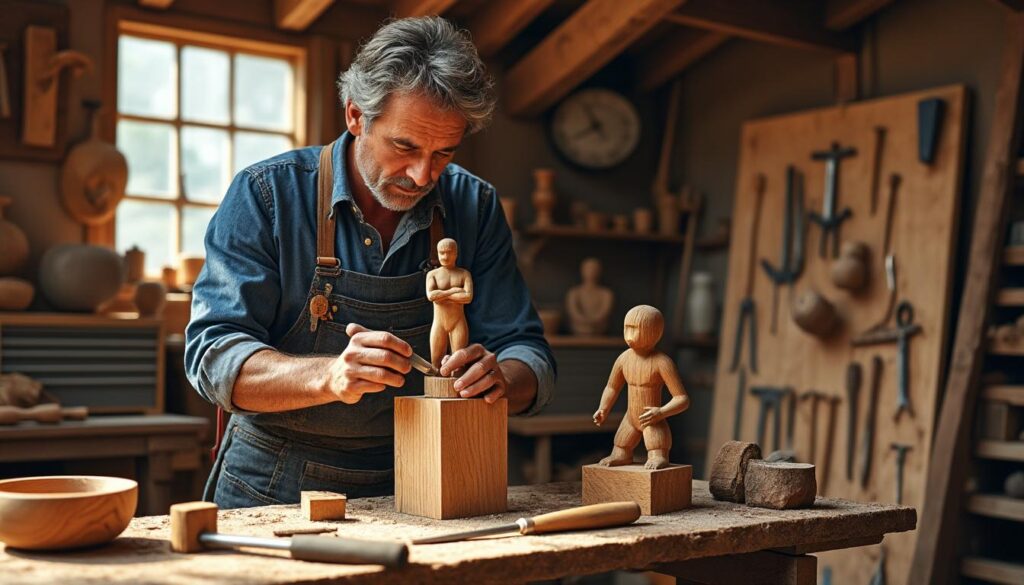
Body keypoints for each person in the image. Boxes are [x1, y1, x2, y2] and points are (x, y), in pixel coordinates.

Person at [184, 16, 555, 509]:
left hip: (423, 473)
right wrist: (329, 376)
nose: (422, 175)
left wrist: (503, 379)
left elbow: (529, 353)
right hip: (274, 480)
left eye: (443, 153)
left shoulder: (473, 204)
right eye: (405, 146)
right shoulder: (266, 195)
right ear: (356, 116)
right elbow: (214, 356)